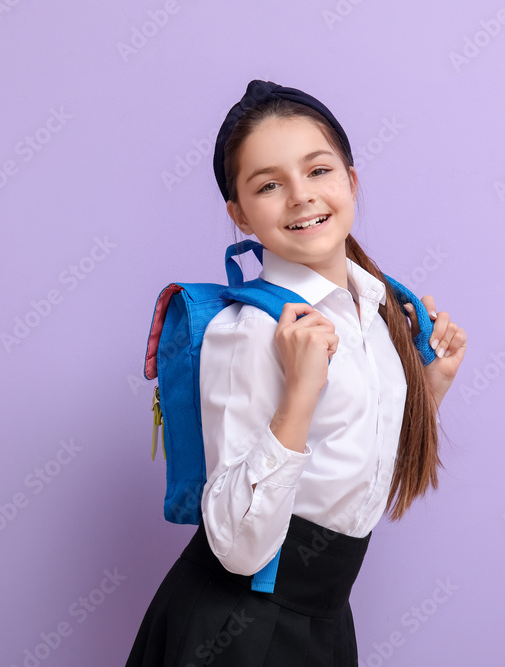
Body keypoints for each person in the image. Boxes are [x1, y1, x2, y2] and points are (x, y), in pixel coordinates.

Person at [126, 79, 467, 666]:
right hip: (237, 631)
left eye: (318, 171)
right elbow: (236, 548)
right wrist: (301, 393)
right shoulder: (249, 332)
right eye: (268, 185)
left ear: (351, 181)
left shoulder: (376, 313)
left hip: (325, 622)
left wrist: (426, 396)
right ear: (239, 214)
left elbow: (347, 492)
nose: (302, 197)